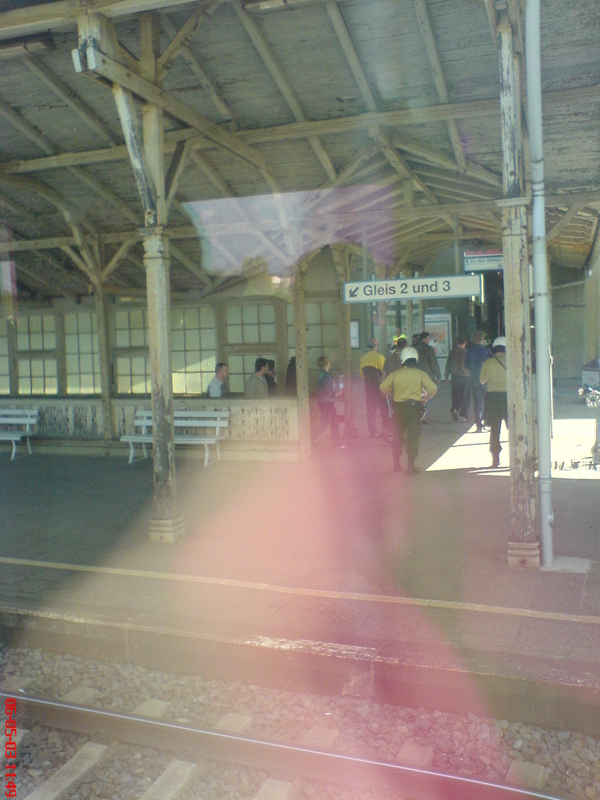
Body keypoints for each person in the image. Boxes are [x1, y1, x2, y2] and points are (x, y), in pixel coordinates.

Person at [380, 346, 437, 474]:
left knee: (397, 435)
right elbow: (433, 389)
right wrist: (425, 399)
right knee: (413, 436)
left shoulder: (396, 374)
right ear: (415, 359)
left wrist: (392, 395)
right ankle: (411, 466)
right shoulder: (420, 374)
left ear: (402, 360)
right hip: (414, 408)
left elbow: (382, 388)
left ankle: (396, 463)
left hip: (398, 408)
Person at [479, 336, 508, 468]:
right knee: (513, 429)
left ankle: (495, 459)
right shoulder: (512, 362)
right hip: (509, 398)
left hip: (492, 399)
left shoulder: (487, 363)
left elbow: (482, 381)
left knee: (495, 430)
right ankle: (516, 456)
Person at [314, 356, 346, 449]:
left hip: (324, 402)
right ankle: (311, 437)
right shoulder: (326, 375)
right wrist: (337, 393)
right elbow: (329, 389)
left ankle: (337, 444)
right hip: (327, 402)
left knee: (334, 423)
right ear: (327, 364)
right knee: (326, 424)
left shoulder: (321, 374)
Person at [359, 338, 387, 438]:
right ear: (376, 346)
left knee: (370, 411)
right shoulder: (379, 357)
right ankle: (385, 431)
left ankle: (373, 433)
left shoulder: (363, 358)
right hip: (379, 389)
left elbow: (362, 374)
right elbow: (385, 372)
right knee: (384, 410)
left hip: (368, 388)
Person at [465, 331, 491, 431]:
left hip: (474, 379)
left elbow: (466, 365)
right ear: (483, 340)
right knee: (488, 401)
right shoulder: (487, 351)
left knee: (477, 403)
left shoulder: (470, 351)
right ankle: (486, 421)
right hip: (485, 379)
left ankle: (478, 425)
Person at [414, 332, 441, 423]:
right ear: (424, 339)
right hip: (427, 375)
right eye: (428, 339)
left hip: (416, 375)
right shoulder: (429, 349)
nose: (429, 340)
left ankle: (418, 413)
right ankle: (424, 414)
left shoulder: (415, 348)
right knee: (428, 395)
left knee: (418, 395)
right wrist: (438, 375)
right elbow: (433, 363)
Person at [444, 335, 470, 422]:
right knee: (465, 396)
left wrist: (446, 376)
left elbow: (448, 365)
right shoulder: (467, 353)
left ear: (457, 342)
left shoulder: (452, 352)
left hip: (455, 377)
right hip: (465, 377)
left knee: (455, 395)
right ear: (465, 343)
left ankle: (455, 409)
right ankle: (463, 416)